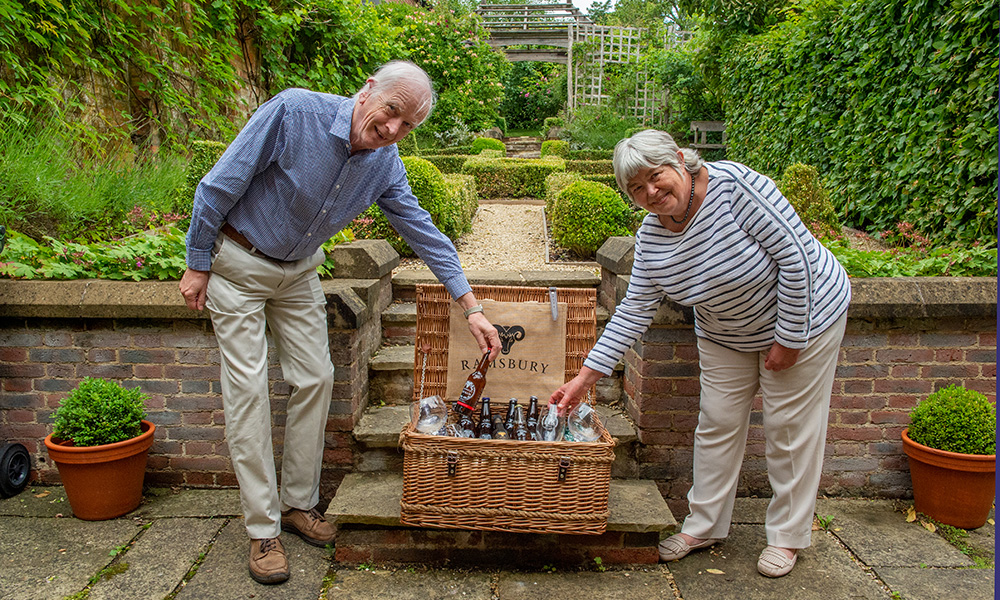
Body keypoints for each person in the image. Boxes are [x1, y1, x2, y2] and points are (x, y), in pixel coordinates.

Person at [179, 60, 501, 585]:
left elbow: (423, 232)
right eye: (392, 112)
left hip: (299, 272)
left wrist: (472, 307)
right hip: (237, 266)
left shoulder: (384, 162)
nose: (393, 130)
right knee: (248, 391)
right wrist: (198, 262)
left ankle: (297, 505)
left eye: (408, 126)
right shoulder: (293, 112)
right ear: (369, 88)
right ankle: (262, 530)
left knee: (316, 377)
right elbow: (217, 186)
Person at [550, 130, 851, 578]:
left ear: (678, 160)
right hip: (725, 332)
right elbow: (633, 311)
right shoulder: (651, 239)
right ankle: (704, 526)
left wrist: (790, 339)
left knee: (789, 429)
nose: (651, 192)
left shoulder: (736, 188)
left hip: (806, 315)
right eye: (636, 189)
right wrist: (583, 380)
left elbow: (798, 259)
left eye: (656, 177)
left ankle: (788, 536)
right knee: (717, 423)